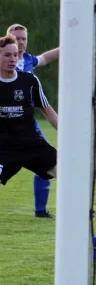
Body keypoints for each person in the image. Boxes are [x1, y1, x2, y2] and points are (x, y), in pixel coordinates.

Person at [7, 24, 60, 218]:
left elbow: (46, 57)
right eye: (17, 38)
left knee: (46, 162)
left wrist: (68, 46)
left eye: (23, 38)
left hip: (27, 124)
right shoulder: (4, 60)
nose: (21, 42)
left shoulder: (29, 60)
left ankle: (41, 210)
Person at [0, 35, 58, 188]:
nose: (12, 59)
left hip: (31, 144)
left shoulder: (30, 81)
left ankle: (80, 212)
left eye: (15, 54)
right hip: (3, 148)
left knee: (68, 172)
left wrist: (68, 136)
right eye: (7, 55)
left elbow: (49, 112)